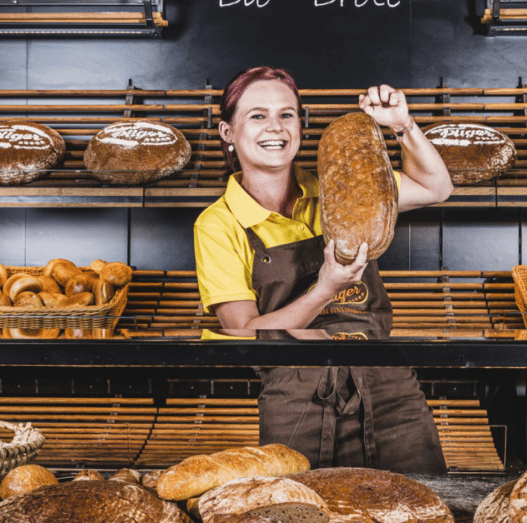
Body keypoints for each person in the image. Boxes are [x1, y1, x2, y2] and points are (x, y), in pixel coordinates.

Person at [193, 66, 453, 473]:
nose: (275, 127)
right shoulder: (219, 223)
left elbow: (437, 188)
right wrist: (324, 289)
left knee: (419, 504)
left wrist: (403, 125)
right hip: (296, 395)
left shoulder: (344, 191)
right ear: (228, 132)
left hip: (386, 384)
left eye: (287, 114)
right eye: (257, 115)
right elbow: (243, 332)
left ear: (300, 124)